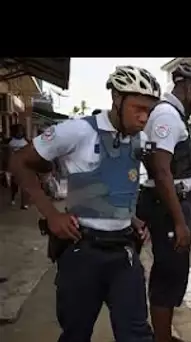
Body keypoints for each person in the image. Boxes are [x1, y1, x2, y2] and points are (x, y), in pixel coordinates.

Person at [9, 65, 161, 342]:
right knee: (76, 333)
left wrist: (131, 218)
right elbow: (19, 162)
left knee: (137, 334)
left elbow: (116, 186)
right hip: (83, 251)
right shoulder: (78, 131)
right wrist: (52, 215)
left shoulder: (139, 140)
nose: (144, 117)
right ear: (117, 98)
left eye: (149, 111)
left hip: (124, 252)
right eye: (138, 108)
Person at [137, 62, 191, 342]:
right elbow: (161, 170)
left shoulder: (170, 115)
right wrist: (180, 222)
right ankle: (161, 338)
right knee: (168, 274)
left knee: (172, 272)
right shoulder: (168, 116)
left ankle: (164, 335)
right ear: (190, 88)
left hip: (169, 203)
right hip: (167, 208)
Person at [8, 123, 30, 208]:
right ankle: (13, 197)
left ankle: (24, 203)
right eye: (18, 131)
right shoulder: (10, 142)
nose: (20, 133)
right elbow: (9, 155)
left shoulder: (26, 141)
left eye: (21, 131)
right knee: (15, 184)